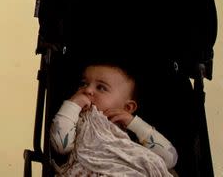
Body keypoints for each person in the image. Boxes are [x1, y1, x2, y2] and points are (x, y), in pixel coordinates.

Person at [50, 62, 178, 173]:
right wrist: (73, 105)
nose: (88, 90)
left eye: (101, 87)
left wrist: (134, 123)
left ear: (127, 108)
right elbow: (60, 146)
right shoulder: (77, 121)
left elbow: (169, 159)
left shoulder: (129, 135)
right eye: (83, 84)